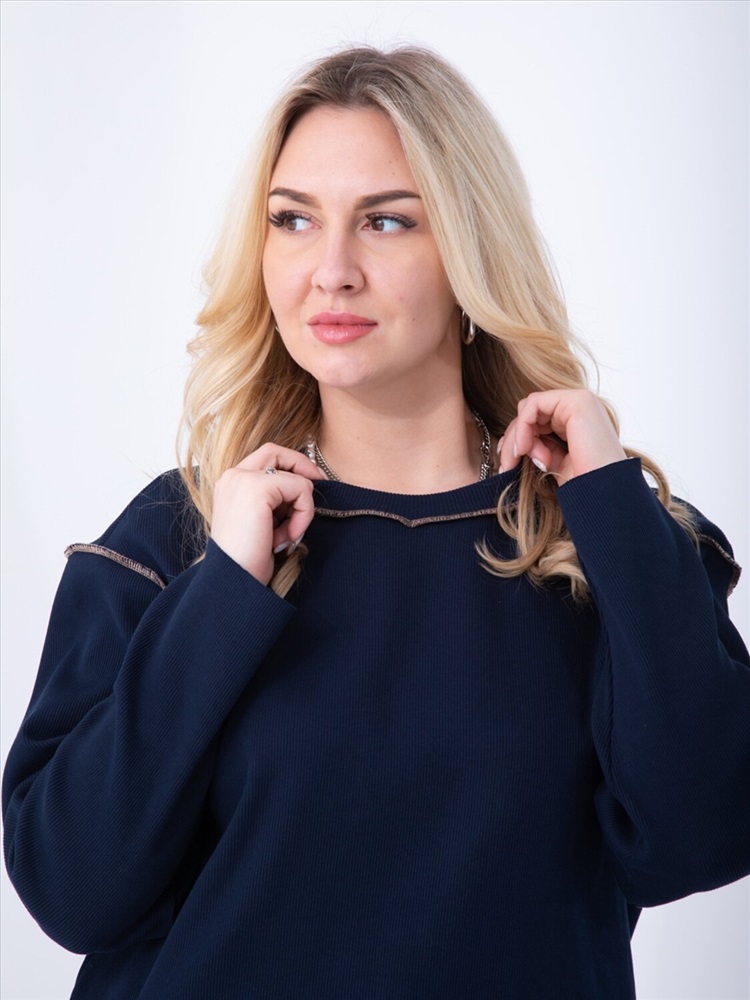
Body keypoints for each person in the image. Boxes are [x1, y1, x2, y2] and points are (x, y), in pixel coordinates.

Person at [3, 45, 748, 999]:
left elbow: (703, 834)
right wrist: (222, 595)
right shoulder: (178, 535)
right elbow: (71, 891)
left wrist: (612, 505)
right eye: (293, 220)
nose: (331, 271)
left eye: (386, 221)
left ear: (471, 252)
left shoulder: (597, 542)